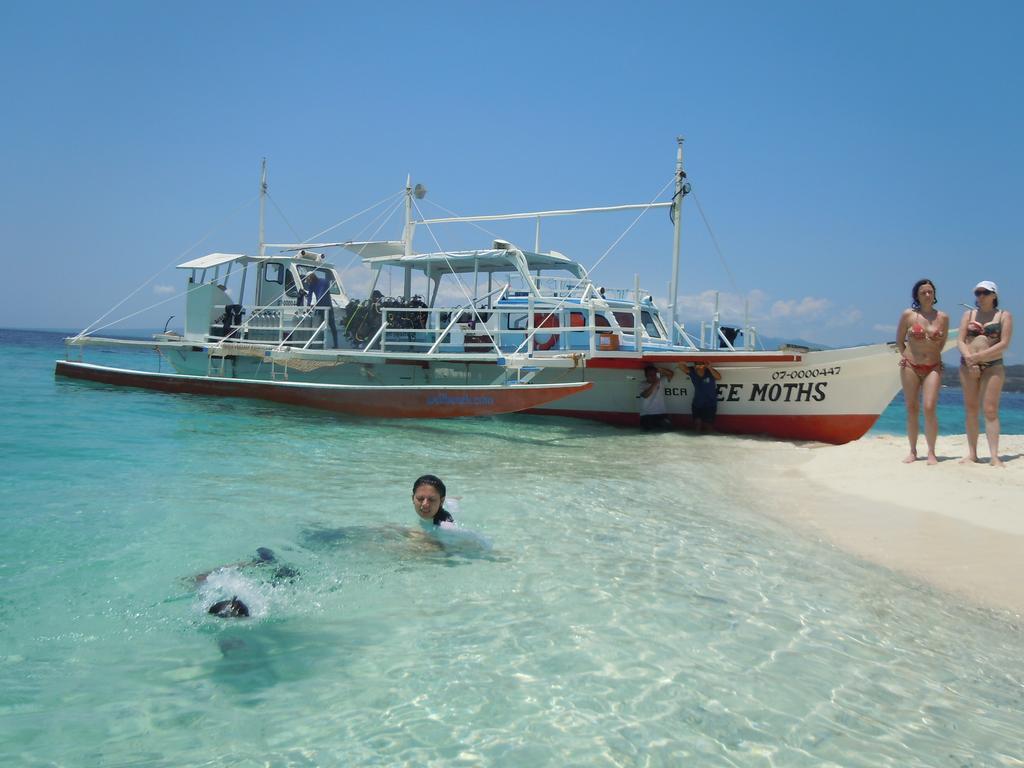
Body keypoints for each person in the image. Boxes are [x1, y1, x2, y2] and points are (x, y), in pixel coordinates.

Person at [957, 280, 1013, 467]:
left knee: (990, 410)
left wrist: (980, 356)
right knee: (971, 409)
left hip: (993, 365)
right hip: (968, 366)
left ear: (994, 295)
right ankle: (972, 453)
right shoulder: (969, 314)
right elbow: (961, 340)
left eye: (985, 293)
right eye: (978, 293)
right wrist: (969, 358)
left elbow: (1004, 343)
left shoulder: (1004, 316)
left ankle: (994, 455)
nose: (980, 296)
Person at [896, 278, 949, 464]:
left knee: (929, 407)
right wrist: (905, 356)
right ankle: (912, 451)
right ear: (916, 296)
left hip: (932, 366)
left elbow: (941, 344)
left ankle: (932, 452)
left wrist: (933, 349)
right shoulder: (908, 315)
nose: (927, 295)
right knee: (912, 408)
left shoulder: (942, 317)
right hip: (910, 365)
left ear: (934, 294)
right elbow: (899, 340)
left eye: (930, 292)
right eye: (923, 292)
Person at [301, 270, 339, 348]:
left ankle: (336, 345)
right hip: (320, 307)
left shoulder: (324, 282)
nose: (308, 281)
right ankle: (318, 345)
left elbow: (322, 293)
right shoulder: (311, 285)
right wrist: (308, 305)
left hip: (328, 307)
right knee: (319, 327)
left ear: (311, 277)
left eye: (308, 279)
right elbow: (310, 295)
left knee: (332, 326)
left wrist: (315, 303)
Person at [685, 360, 722, 432]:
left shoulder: (710, 372)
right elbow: (681, 366)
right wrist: (687, 358)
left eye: (701, 364)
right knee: (697, 423)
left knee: (708, 425)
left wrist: (709, 367)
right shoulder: (692, 372)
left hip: (710, 404)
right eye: (697, 364)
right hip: (697, 403)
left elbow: (719, 377)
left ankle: (710, 440)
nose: (699, 366)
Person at [638, 364, 674, 430]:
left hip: (661, 414)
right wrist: (655, 383)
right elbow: (645, 395)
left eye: (654, 374)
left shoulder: (661, 381)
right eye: (650, 375)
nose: (653, 376)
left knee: (669, 430)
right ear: (646, 376)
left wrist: (661, 369)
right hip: (647, 415)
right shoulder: (642, 384)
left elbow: (671, 374)